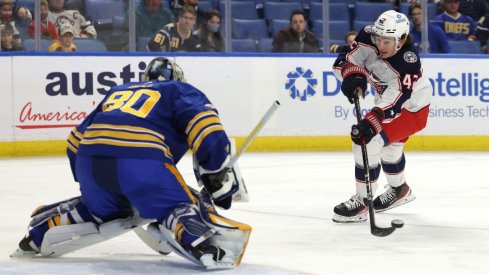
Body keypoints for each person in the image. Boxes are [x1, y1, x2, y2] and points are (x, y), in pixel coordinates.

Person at [11, 57, 251, 269]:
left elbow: (74, 141)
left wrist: (87, 179)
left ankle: (41, 230)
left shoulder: (118, 91)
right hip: (141, 161)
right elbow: (207, 128)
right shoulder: (180, 89)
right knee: (179, 203)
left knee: (104, 210)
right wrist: (216, 172)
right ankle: (203, 240)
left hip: (90, 162)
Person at [331, 10, 432, 223]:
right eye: (379, 39)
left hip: (412, 109)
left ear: (402, 40)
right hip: (387, 102)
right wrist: (352, 75)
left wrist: (372, 120)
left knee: (367, 142)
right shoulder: (369, 37)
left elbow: (396, 101)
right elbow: (345, 59)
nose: (381, 45)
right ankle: (399, 190)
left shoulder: (408, 62)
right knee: (390, 149)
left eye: (388, 41)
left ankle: (362, 200)